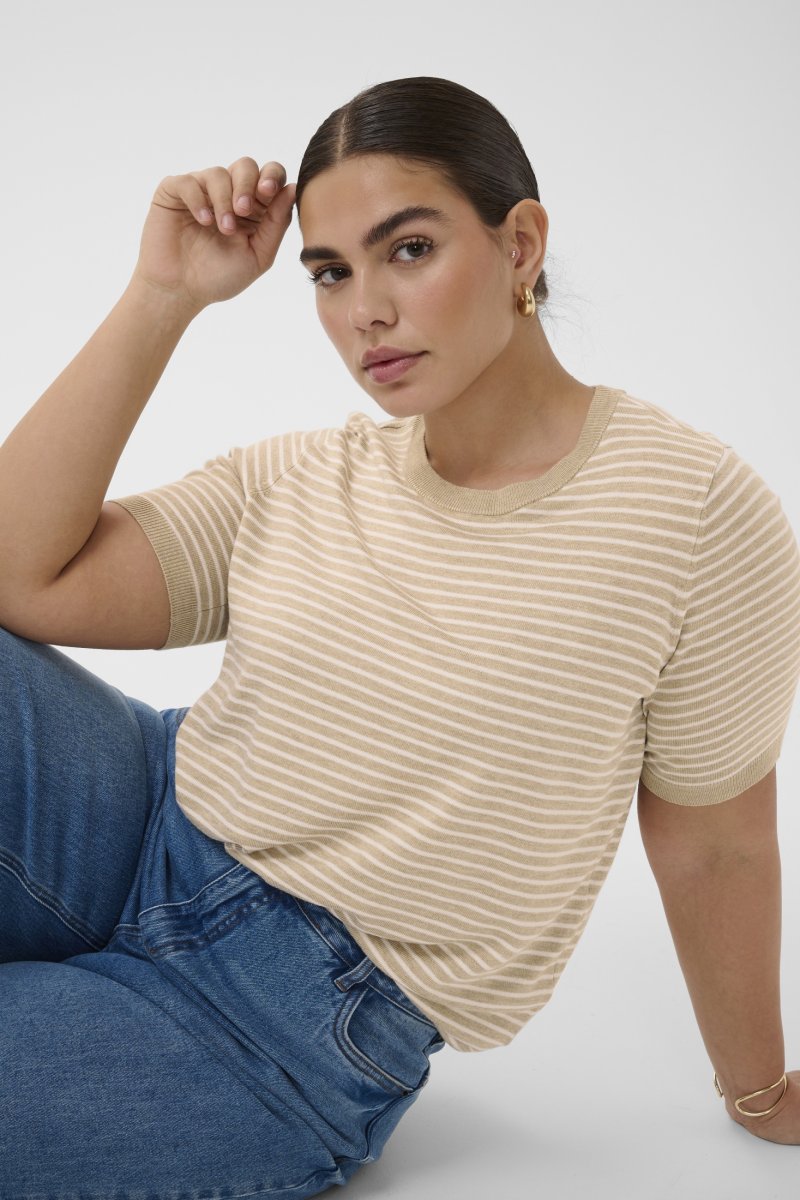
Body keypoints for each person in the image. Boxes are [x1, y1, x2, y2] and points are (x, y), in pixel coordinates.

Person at [1, 74, 799, 1195]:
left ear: (520, 245)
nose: (363, 310)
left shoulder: (691, 512)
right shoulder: (306, 475)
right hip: (134, 814)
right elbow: (21, 575)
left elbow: (717, 842)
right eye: (329, 272)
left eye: (408, 250)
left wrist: (758, 1090)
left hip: (281, 1021)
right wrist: (161, 295)